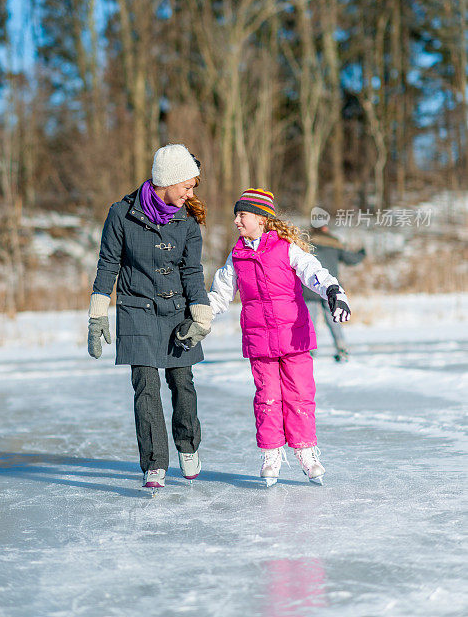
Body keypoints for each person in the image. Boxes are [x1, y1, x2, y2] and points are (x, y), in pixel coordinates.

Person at [87, 144, 213, 490]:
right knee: (145, 385)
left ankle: (187, 445)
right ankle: (155, 462)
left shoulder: (186, 220)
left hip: (175, 311)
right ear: (167, 182)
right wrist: (97, 314)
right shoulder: (121, 214)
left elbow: (191, 271)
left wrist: (201, 314)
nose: (190, 194)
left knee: (182, 382)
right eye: (187, 186)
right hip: (136, 310)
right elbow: (108, 264)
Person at [208, 188, 350, 487]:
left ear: (260, 219)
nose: (236, 221)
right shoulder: (238, 256)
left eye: (242, 214)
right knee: (267, 398)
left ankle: (305, 451)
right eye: (236, 214)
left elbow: (314, 271)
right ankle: (272, 453)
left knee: (299, 395)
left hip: (294, 337)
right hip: (259, 341)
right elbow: (220, 295)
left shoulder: (285, 248)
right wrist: (200, 317)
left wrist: (333, 291)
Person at [303, 224, 365, 363]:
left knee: (310, 322)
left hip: (309, 288)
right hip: (329, 289)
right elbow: (351, 259)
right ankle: (341, 348)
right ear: (325, 228)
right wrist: (361, 253)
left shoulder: (305, 242)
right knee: (333, 320)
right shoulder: (333, 243)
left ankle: (310, 351)